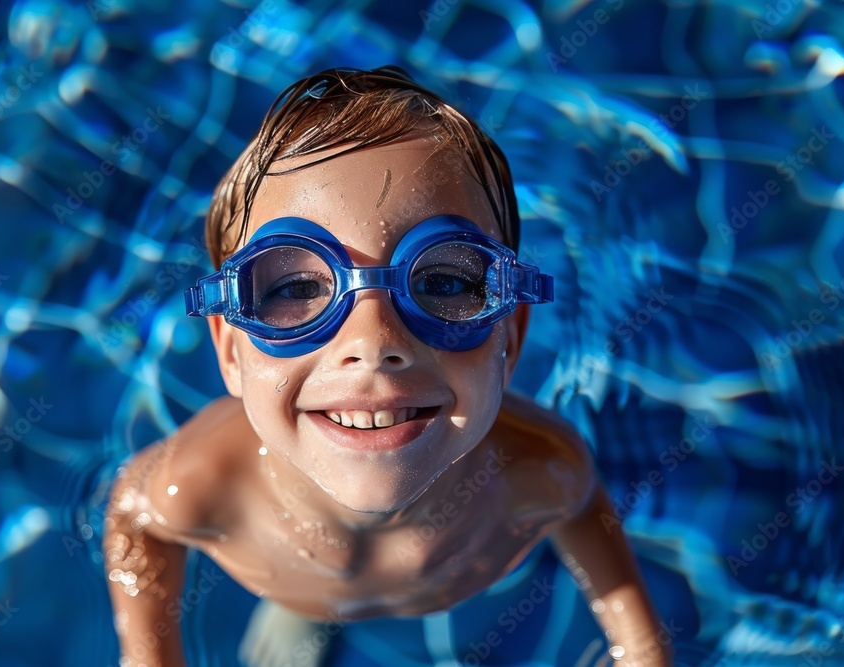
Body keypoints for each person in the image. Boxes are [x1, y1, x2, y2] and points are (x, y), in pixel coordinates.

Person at [103, 66, 671, 667]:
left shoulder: (541, 471)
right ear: (230, 351)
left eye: (444, 282)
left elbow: (584, 513)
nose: (373, 341)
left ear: (511, 334)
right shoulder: (204, 484)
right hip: (297, 570)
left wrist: (642, 649)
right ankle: (306, 609)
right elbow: (134, 518)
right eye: (297, 289)